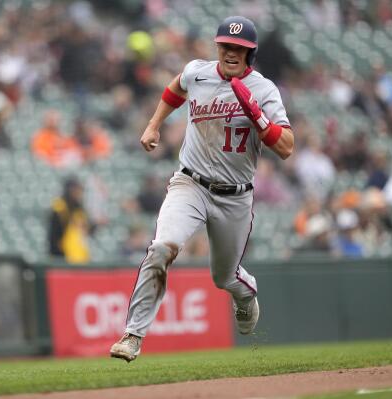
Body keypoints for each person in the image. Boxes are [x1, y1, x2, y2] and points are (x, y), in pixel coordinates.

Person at [110, 16, 294, 362]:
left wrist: (258, 117)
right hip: (190, 183)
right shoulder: (198, 72)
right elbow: (175, 89)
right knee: (162, 248)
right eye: (225, 45)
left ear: (250, 53)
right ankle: (133, 334)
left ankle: (245, 294)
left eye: (239, 49)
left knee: (223, 277)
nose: (230, 53)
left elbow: (286, 147)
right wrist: (153, 126)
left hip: (235, 196)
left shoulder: (264, 89)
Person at [48, 177, 95, 263]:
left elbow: (86, 230)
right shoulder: (60, 207)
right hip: (64, 256)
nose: (79, 192)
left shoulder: (80, 209)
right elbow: (55, 235)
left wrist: (95, 226)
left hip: (80, 255)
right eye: (76, 189)